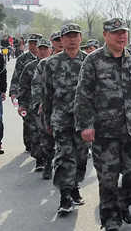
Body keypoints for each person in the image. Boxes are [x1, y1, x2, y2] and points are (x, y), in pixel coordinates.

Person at [75, 18, 131, 231]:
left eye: (124, 32)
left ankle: (121, 203)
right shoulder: (93, 61)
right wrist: (86, 124)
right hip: (104, 132)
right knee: (108, 179)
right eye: (116, 33)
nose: (121, 36)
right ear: (105, 35)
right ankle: (111, 221)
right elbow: (83, 96)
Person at [42, 23, 89, 215]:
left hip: (83, 119)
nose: (72, 39)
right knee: (64, 156)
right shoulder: (51, 64)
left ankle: (75, 185)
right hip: (61, 118)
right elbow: (47, 94)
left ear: (80, 38)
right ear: (61, 40)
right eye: (67, 36)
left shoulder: (88, 62)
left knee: (81, 156)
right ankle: (65, 196)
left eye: (75, 35)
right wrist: (47, 120)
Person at [17, 38, 53, 173]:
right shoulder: (30, 67)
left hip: (53, 108)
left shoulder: (56, 64)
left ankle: (49, 160)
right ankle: (39, 160)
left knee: (50, 135)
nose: (43, 51)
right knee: (36, 134)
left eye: (46, 49)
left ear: (51, 50)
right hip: (34, 108)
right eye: (41, 49)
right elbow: (23, 87)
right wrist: (21, 104)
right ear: (37, 50)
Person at [9, 32, 41, 152]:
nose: (33, 46)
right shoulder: (23, 59)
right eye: (31, 43)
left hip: (42, 96)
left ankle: (39, 147)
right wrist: (13, 92)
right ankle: (29, 144)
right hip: (27, 94)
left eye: (35, 43)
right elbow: (16, 77)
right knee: (27, 120)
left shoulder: (48, 57)